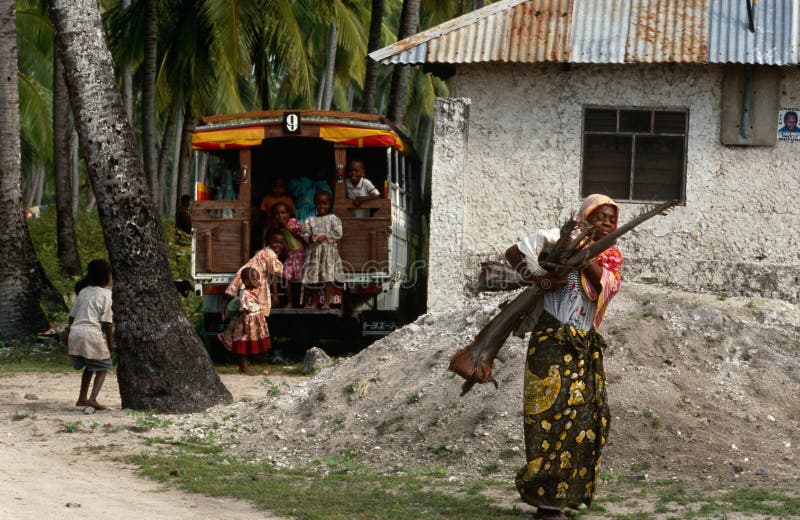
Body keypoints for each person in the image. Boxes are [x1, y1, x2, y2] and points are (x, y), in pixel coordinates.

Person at [505, 194, 623, 519]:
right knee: (550, 420)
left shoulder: (611, 257)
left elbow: (606, 286)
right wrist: (537, 278)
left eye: (612, 219)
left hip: (584, 346)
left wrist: (585, 259)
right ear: (586, 217)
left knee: (589, 421)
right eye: (600, 217)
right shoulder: (559, 240)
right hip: (551, 342)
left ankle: (567, 494)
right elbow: (514, 252)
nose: (607, 224)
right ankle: (546, 504)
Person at [219, 232, 284, 371]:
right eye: (275, 242)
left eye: (280, 242)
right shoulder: (269, 254)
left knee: (242, 325)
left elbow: (235, 286)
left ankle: (228, 331)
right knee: (243, 333)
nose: (278, 245)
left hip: (248, 279)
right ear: (268, 242)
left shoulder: (260, 255)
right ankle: (229, 335)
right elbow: (277, 270)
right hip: (247, 315)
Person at [66, 259, 115, 411]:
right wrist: (110, 343)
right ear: (108, 276)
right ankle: (92, 399)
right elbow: (107, 322)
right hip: (91, 333)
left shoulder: (83, 291)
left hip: (75, 332)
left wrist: (67, 333)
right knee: (104, 366)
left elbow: (72, 316)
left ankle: (82, 398)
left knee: (90, 365)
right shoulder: (107, 294)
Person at [225, 267, 273, 375]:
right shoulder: (244, 293)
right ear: (247, 281)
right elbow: (245, 310)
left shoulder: (251, 291)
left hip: (254, 321)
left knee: (247, 344)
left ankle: (244, 367)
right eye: (255, 280)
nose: (258, 282)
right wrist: (247, 325)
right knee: (243, 344)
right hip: (247, 323)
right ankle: (243, 368)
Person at [302, 191, 343, 309]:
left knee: (328, 278)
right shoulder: (310, 220)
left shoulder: (333, 218)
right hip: (314, 253)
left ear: (329, 204)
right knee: (314, 278)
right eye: (319, 204)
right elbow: (304, 233)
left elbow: (338, 233)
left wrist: (325, 237)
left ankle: (326, 303)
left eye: (325, 204)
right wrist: (310, 237)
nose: (322, 206)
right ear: (315, 204)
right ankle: (314, 303)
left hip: (328, 253)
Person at [272, 202, 306, 308]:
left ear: (289, 213)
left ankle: (305, 302)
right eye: (277, 214)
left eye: (283, 213)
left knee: (305, 277)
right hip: (291, 256)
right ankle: (289, 302)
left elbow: (302, 237)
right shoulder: (278, 229)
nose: (281, 216)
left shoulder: (294, 222)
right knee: (286, 275)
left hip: (301, 254)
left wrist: (288, 228)